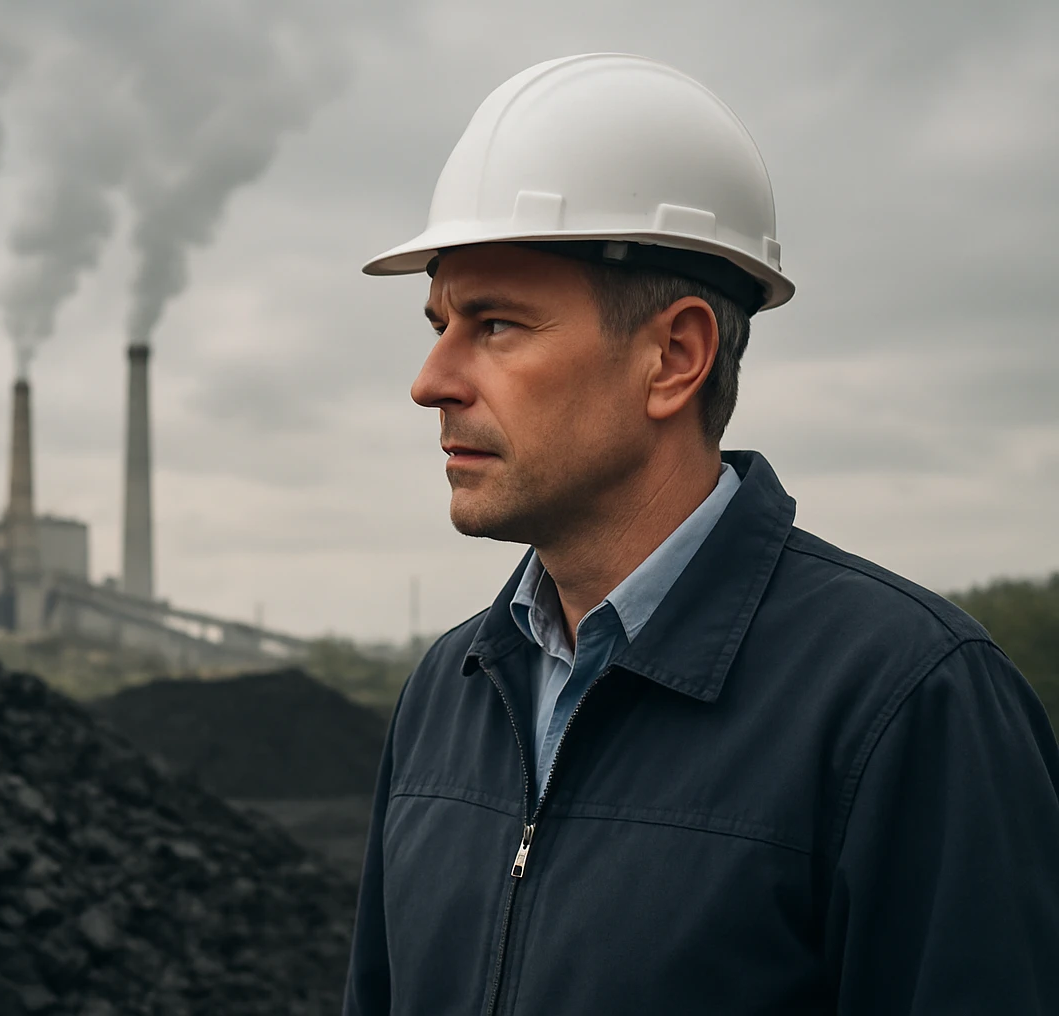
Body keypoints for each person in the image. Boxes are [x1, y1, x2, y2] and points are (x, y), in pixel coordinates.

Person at [343, 53, 1059, 1015]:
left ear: (675, 356)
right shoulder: (447, 692)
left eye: (497, 324)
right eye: (437, 324)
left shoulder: (908, 704)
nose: (432, 379)